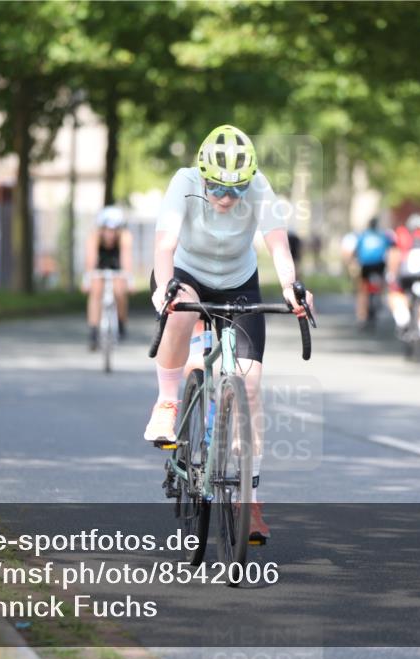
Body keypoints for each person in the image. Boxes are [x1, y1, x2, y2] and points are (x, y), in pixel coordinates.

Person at [145, 124, 312, 542]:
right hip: (185, 274)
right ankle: (167, 403)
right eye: (217, 188)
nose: (225, 198)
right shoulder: (183, 183)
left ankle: (247, 498)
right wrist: (166, 291)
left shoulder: (258, 187)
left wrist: (292, 287)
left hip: (239, 282)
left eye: (236, 190)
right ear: (202, 175)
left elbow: (277, 246)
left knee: (250, 384)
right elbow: (164, 246)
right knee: (183, 314)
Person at [83, 205, 132, 350]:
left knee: (119, 291)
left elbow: (126, 258)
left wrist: (129, 279)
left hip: (117, 264)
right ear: (101, 229)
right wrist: (87, 279)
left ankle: (121, 322)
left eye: (114, 230)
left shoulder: (125, 237)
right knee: (96, 291)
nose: (110, 235)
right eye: (107, 230)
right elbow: (90, 260)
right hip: (101, 264)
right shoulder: (94, 237)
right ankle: (93, 331)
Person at [388, 213, 420, 343]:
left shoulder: (402, 234)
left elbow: (395, 255)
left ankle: (402, 317)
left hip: (406, 274)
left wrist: (391, 275)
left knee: (396, 293)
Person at [348, 216, 394, 327]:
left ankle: (361, 315)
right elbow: (391, 248)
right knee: (380, 283)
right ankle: (380, 296)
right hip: (379, 265)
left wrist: (353, 261)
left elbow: (355, 250)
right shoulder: (383, 235)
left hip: (366, 265)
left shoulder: (363, 235)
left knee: (363, 289)